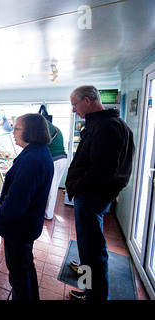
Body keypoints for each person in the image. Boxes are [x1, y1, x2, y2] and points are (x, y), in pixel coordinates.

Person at [65, 85, 135, 300]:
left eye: (75, 105)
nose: (74, 110)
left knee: (92, 251)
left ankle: (95, 296)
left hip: (91, 197)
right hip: (97, 196)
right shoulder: (113, 123)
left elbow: (102, 170)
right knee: (88, 247)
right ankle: (88, 285)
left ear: (87, 101)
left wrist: (77, 185)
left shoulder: (106, 127)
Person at [0, 113, 54, 300]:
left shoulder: (31, 160)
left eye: (16, 128)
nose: (13, 132)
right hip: (28, 226)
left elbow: (16, 203)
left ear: (31, 132)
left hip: (19, 229)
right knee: (26, 267)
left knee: (19, 275)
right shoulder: (39, 152)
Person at [44, 120, 67, 220]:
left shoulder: (45, 129)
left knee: (51, 189)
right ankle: (48, 211)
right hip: (62, 159)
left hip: (55, 160)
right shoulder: (56, 129)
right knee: (54, 187)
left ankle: (48, 214)